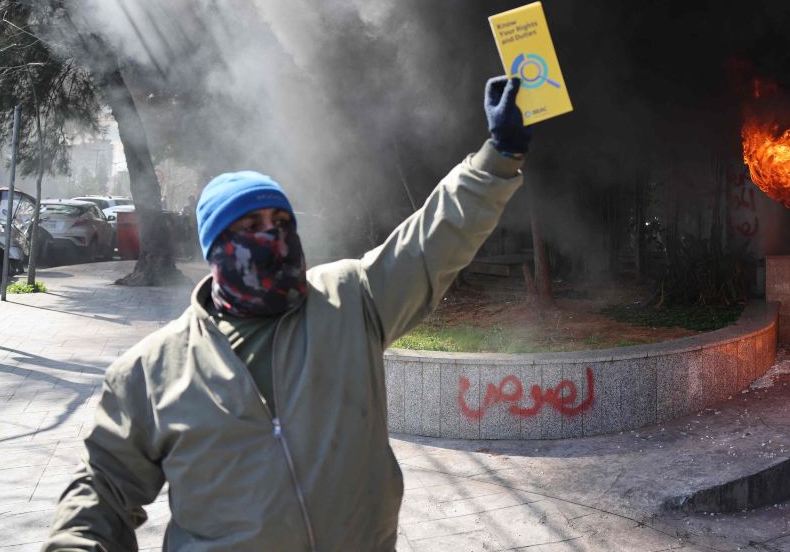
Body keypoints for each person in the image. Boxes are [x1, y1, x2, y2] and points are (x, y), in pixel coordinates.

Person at [43, 77, 531, 551]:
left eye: (282, 222)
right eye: (251, 225)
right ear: (217, 249)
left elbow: (431, 242)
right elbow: (102, 491)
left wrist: (498, 157)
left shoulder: (350, 299)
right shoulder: (150, 372)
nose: (273, 237)